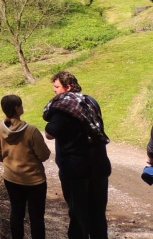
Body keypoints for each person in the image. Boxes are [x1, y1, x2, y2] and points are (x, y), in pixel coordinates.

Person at [43, 71, 111, 239]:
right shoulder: (90, 101)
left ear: (68, 87)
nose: (54, 90)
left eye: (57, 86)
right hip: (99, 166)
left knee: (78, 214)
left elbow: (50, 132)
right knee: (97, 212)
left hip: (76, 169)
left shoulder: (64, 108)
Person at [0, 95, 51, 239]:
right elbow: (44, 155)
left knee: (16, 213)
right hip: (35, 180)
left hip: (11, 178)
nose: (23, 107)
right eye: (21, 105)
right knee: (36, 217)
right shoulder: (31, 131)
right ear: (17, 109)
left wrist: (9, 161)